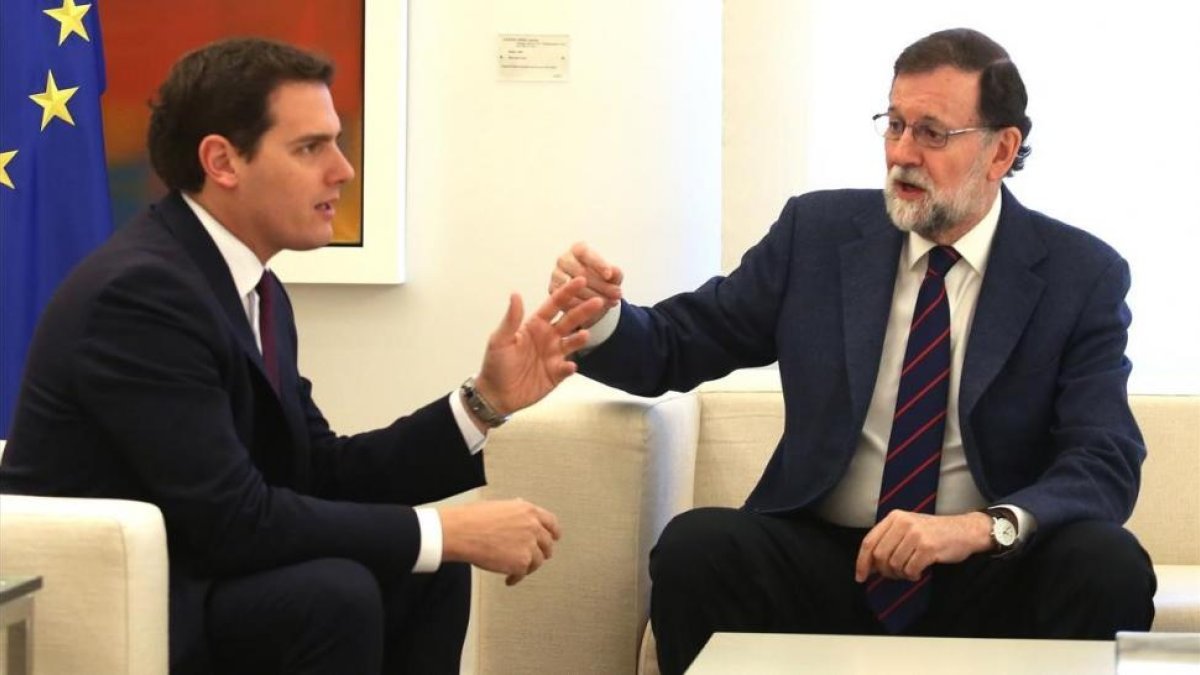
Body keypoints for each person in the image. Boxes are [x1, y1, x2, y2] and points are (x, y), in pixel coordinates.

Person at [549, 28, 1156, 674]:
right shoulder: (817, 234)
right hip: (830, 561)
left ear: (1001, 150)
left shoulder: (1078, 274)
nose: (901, 153)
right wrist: (605, 318)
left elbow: (1105, 457)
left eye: (932, 133)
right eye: (894, 124)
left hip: (985, 570)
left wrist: (980, 528)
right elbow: (681, 342)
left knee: (1107, 564)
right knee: (697, 549)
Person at [0, 38, 605, 675]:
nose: (342, 170)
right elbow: (230, 518)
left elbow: (316, 471)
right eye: (311, 147)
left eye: (337, 143)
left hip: (202, 571)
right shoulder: (141, 294)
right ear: (222, 161)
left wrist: (483, 403)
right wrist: (445, 531)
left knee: (425, 574)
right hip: (125, 600)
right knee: (337, 592)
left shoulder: (252, 288)